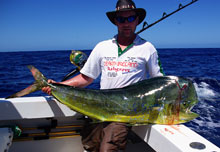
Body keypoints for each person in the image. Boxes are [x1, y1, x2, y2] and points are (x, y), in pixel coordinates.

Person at [42, 0, 164, 151]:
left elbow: (159, 82)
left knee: (108, 148)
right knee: (90, 144)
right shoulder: (102, 47)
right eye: (121, 19)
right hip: (100, 108)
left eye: (131, 18)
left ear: (137, 20)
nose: (126, 23)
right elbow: (86, 78)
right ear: (115, 21)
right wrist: (59, 86)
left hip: (126, 113)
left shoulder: (147, 48)